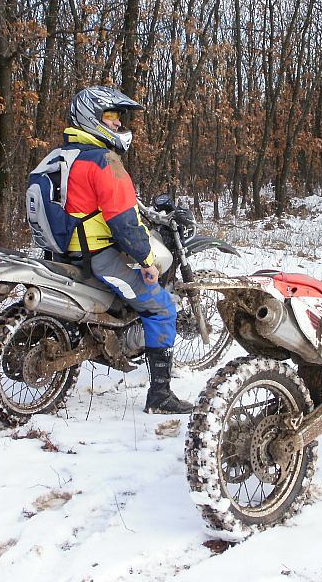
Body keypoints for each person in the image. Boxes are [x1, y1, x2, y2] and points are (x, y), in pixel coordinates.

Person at [48, 85, 193, 414]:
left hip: (63, 255)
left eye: (117, 117)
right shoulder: (105, 161)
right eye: (110, 116)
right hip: (99, 258)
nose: (116, 124)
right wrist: (146, 260)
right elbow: (125, 222)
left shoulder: (60, 157)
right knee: (162, 308)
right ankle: (160, 396)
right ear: (92, 118)